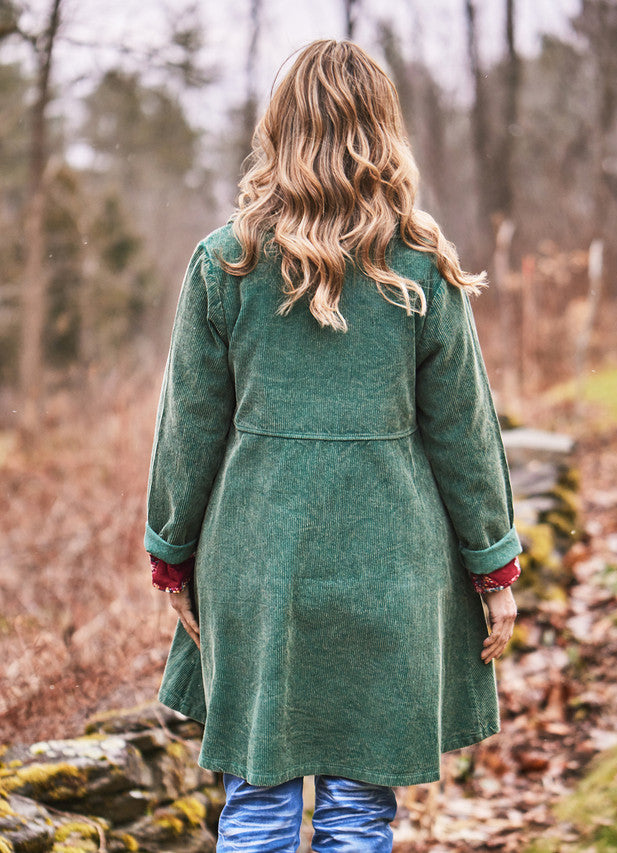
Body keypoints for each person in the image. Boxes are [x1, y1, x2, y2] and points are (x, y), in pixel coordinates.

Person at [144, 38, 521, 853]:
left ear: (279, 132)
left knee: (257, 803)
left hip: (257, 571)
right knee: (358, 815)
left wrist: (171, 555)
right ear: (383, 135)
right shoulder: (419, 268)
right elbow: (466, 437)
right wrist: (495, 568)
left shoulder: (226, 263)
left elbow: (188, 431)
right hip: (388, 570)